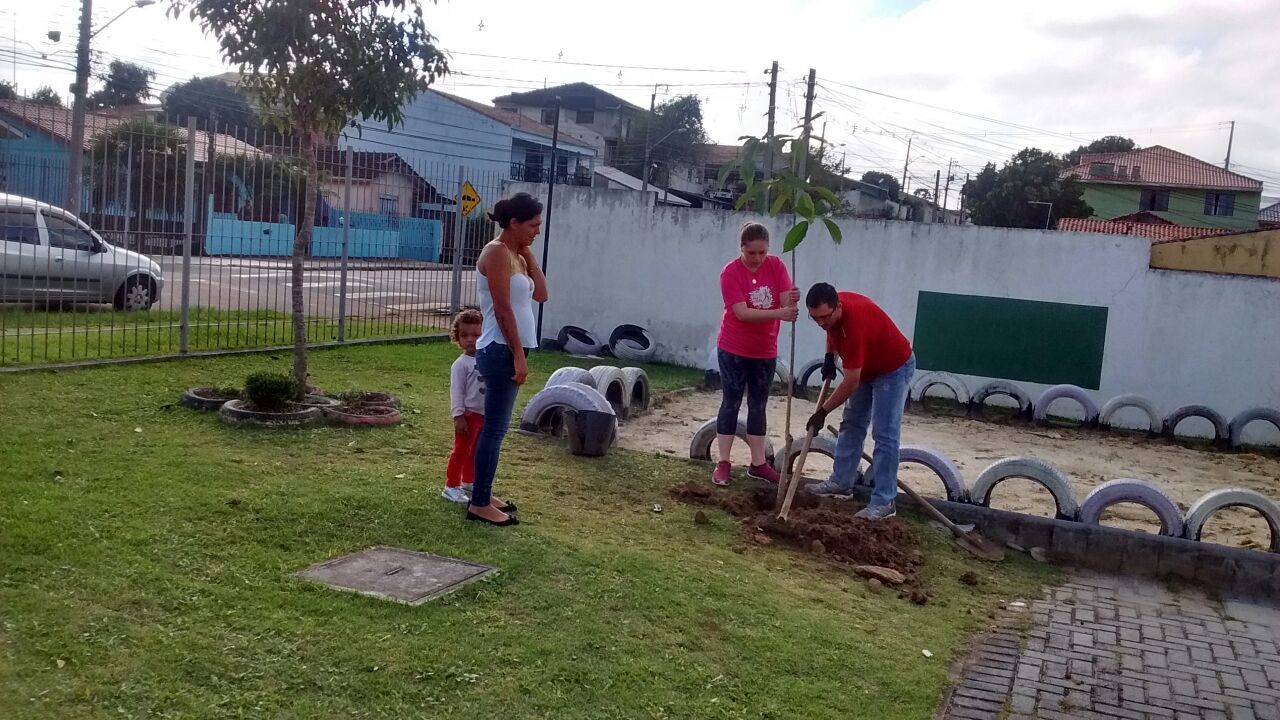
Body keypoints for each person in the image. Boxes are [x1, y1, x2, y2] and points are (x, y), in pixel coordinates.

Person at [802, 282, 915, 521]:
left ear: (837, 307)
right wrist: (829, 357)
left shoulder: (855, 326)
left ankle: (884, 501)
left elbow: (850, 381)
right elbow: (831, 331)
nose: (820, 323)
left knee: (884, 434)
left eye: (823, 317)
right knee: (851, 423)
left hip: (893, 367)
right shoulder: (831, 312)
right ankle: (841, 482)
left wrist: (822, 412)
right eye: (814, 319)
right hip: (867, 366)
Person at [470, 192, 548, 526]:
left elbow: (542, 294)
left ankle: (483, 492)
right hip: (499, 349)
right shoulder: (497, 253)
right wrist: (518, 355)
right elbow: (502, 309)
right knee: (495, 429)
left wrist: (528, 254)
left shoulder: (516, 254)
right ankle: (479, 502)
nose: (537, 231)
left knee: (495, 429)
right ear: (513, 222)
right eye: (532, 225)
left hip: (509, 349)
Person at [711, 222, 800, 486]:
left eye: (762, 252)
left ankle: (759, 463)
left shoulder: (777, 266)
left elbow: (785, 301)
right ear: (742, 248)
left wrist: (792, 298)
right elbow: (742, 313)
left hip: (765, 349)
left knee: (759, 405)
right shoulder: (730, 273)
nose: (758, 259)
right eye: (752, 253)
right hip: (733, 348)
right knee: (731, 401)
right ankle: (723, 461)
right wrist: (779, 314)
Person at [443, 309, 485, 504]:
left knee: (475, 452)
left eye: (477, 335)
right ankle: (451, 486)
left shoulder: (486, 360)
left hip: (484, 415)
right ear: (457, 338)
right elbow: (457, 392)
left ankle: (469, 481)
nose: (471, 340)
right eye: (465, 336)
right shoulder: (461, 365)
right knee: (461, 451)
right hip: (468, 416)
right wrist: (458, 416)